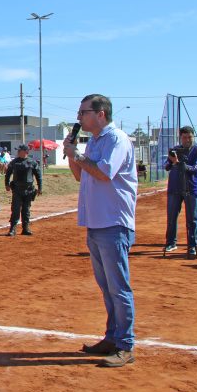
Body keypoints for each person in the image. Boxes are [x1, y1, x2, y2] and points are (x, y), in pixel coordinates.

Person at [64, 93, 138, 368]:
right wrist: (73, 157)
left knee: (119, 288)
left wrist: (78, 155)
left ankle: (125, 344)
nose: (79, 117)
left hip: (113, 223)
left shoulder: (117, 139)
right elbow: (81, 175)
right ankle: (112, 337)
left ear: (100, 114)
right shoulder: (95, 141)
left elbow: (104, 172)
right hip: (96, 223)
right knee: (107, 288)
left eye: (83, 112)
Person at [163, 126, 197, 258]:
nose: (187, 140)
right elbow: (167, 166)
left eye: (189, 137)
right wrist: (171, 160)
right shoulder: (175, 150)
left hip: (191, 188)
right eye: (184, 137)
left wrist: (179, 163)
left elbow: (194, 168)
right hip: (174, 188)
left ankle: (192, 245)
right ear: (181, 137)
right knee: (171, 217)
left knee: (192, 219)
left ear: (193, 137)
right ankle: (171, 243)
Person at [5, 145, 43, 236]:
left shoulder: (32, 162)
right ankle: (12, 229)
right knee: (15, 209)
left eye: (20, 150)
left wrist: (40, 188)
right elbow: (8, 173)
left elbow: (38, 175)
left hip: (28, 190)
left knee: (26, 210)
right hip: (17, 190)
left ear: (26, 152)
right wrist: (6, 184)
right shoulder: (14, 162)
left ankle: (25, 228)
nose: (18, 152)